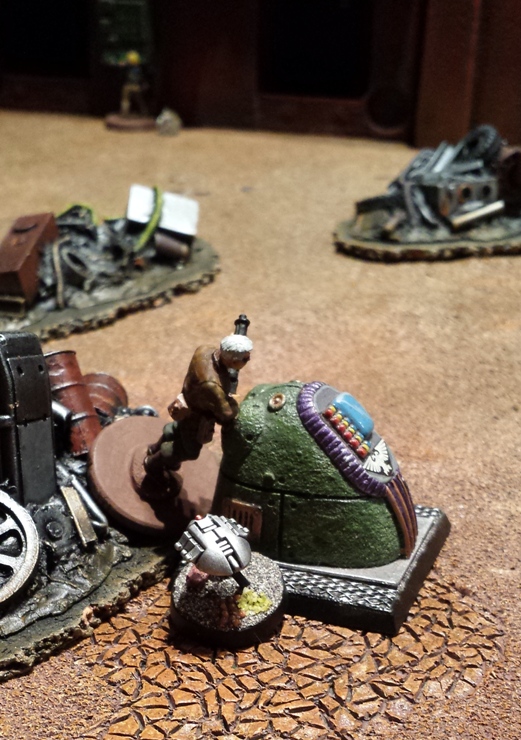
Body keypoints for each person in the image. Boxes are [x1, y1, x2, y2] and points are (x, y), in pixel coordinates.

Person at [145, 333, 252, 478]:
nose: (248, 360)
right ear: (233, 361)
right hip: (196, 417)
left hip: (187, 401)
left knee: (175, 429)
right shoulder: (212, 385)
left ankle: (154, 448)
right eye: (245, 358)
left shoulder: (205, 349)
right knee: (189, 451)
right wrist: (234, 403)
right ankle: (153, 463)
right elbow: (226, 414)